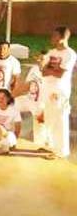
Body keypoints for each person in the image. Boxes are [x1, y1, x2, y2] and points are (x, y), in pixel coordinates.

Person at [41, 26, 76, 158]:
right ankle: (51, 146)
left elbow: (60, 73)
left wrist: (50, 70)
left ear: (62, 38)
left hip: (59, 92)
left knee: (60, 120)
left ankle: (61, 150)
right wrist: (47, 68)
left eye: (55, 36)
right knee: (49, 118)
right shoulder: (51, 52)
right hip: (47, 89)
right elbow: (44, 71)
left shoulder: (70, 54)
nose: (52, 38)